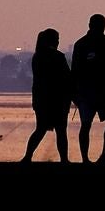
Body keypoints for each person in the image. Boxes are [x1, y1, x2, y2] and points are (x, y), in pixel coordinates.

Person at [72, 12, 105, 163]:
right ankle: (90, 158)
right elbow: (75, 70)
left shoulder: (85, 43)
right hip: (89, 92)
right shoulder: (83, 44)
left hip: (99, 91)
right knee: (87, 124)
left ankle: (100, 156)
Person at [23, 27, 71, 162]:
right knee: (61, 131)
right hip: (58, 99)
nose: (58, 42)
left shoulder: (37, 56)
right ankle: (64, 160)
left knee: (40, 129)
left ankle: (27, 157)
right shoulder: (58, 56)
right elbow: (67, 77)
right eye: (57, 39)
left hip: (41, 99)